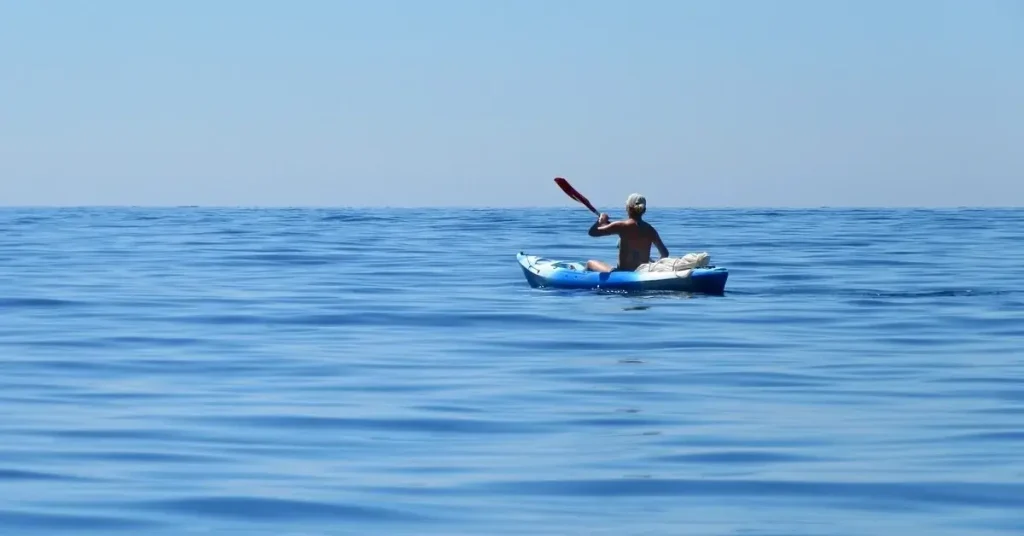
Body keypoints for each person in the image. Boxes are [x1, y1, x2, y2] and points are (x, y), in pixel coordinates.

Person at [586, 193, 669, 272]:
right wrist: (654, 264)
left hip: (622, 273)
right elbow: (665, 254)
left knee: (590, 263)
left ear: (628, 208)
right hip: (641, 272)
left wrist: (600, 220)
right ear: (644, 210)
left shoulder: (621, 226)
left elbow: (593, 232)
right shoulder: (650, 230)